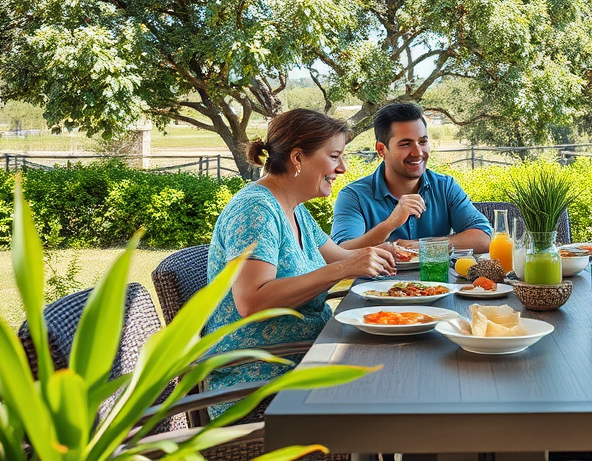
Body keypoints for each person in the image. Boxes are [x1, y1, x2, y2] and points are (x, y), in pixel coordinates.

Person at [205, 109, 397, 402]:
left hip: (311, 357)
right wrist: (346, 268)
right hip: (263, 383)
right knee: (393, 386)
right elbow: (252, 301)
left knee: (397, 368)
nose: (343, 167)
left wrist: (378, 250)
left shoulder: (294, 208)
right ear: (298, 158)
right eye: (334, 156)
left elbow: (341, 255)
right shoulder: (256, 209)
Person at [330, 102, 491, 251]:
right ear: (381, 150)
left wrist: (422, 246)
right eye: (405, 144)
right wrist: (391, 223)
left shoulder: (445, 187)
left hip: (439, 282)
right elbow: (341, 251)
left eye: (422, 142)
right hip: (375, 282)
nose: (418, 152)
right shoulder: (354, 196)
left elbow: (483, 238)